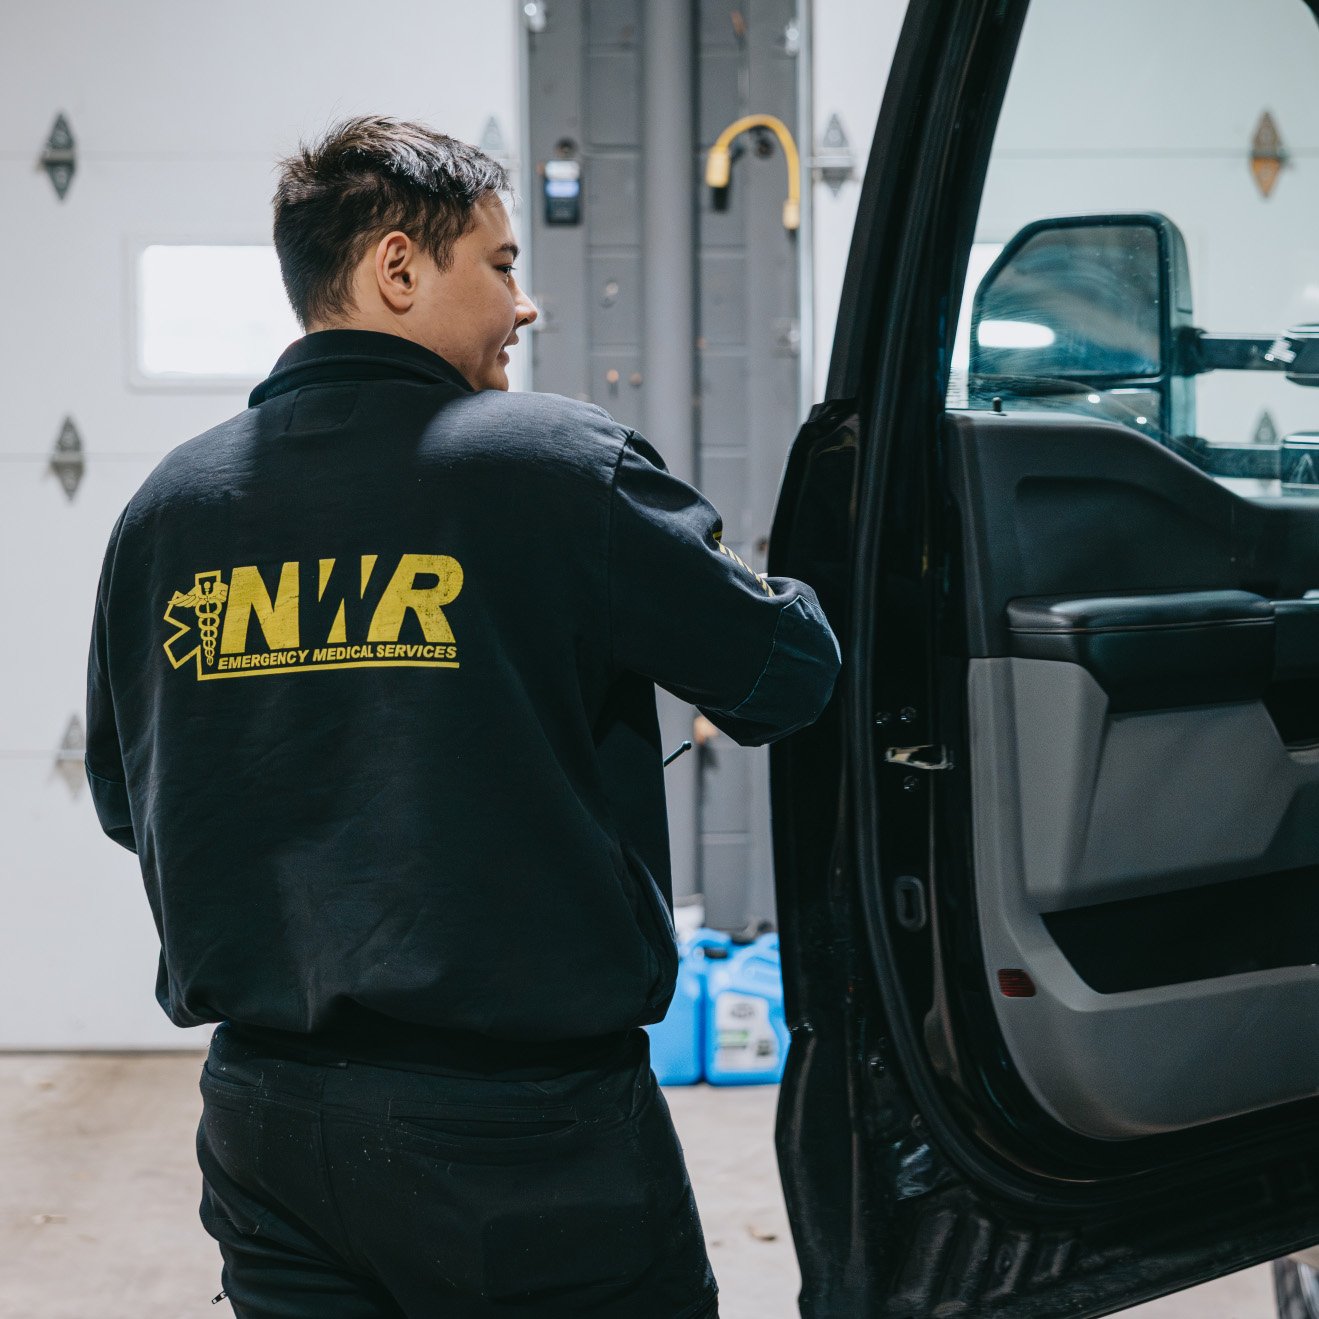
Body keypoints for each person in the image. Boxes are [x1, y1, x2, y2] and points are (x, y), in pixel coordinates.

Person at [84, 115, 840, 1318]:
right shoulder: (549, 467)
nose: (523, 304)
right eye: (498, 265)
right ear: (398, 268)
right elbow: (788, 674)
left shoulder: (168, 509)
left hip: (266, 1123)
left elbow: (136, 800)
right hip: (522, 1135)